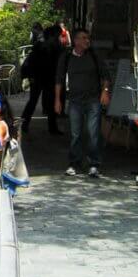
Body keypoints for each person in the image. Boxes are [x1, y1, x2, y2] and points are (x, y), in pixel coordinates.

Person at [55, 28, 111, 178]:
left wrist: (105, 91)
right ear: (76, 41)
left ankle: (94, 164)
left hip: (93, 100)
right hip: (74, 100)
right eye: (84, 38)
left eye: (88, 38)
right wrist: (57, 100)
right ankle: (74, 163)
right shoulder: (67, 57)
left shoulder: (93, 55)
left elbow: (106, 75)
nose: (87, 41)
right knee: (75, 133)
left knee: (93, 133)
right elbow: (59, 79)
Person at [20, 24, 63, 135]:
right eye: (56, 36)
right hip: (41, 78)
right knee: (35, 102)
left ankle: (25, 125)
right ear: (52, 36)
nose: (58, 38)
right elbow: (33, 63)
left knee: (36, 102)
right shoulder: (45, 47)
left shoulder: (48, 47)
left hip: (43, 78)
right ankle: (24, 124)